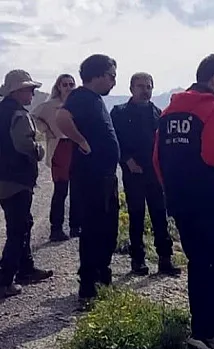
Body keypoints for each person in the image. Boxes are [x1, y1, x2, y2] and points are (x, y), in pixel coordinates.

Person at [154, 54, 214, 349]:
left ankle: (200, 328)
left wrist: (172, 191)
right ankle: (207, 333)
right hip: (211, 200)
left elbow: (157, 158)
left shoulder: (169, 111)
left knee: (198, 262)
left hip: (180, 201)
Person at [55, 54, 120, 307]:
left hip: (103, 176)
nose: (114, 81)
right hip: (92, 177)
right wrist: (82, 142)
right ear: (98, 75)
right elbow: (62, 118)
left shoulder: (93, 99)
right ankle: (88, 286)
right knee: (94, 230)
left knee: (107, 229)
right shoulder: (82, 96)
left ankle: (101, 278)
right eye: (111, 76)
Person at [111, 72, 180, 277]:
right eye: (141, 86)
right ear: (131, 88)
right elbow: (114, 140)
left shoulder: (158, 114)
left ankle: (165, 259)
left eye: (148, 87)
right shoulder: (119, 113)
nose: (145, 90)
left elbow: (165, 145)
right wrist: (127, 160)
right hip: (133, 173)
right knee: (136, 215)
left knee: (159, 215)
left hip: (155, 173)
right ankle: (138, 260)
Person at [0, 70, 54, 298]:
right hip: (17, 179)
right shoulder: (19, 115)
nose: (32, 93)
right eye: (29, 89)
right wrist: (39, 150)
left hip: (4, 178)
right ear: (18, 91)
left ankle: (26, 268)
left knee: (23, 223)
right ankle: (5, 280)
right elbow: (25, 145)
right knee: (18, 229)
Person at [32, 73, 80, 241]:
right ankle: (56, 229)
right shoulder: (50, 105)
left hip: (75, 146)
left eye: (71, 84)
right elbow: (33, 117)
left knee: (77, 189)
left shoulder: (77, 104)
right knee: (61, 189)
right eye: (65, 84)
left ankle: (75, 226)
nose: (68, 87)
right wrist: (46, 129)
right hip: (59, 147)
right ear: (58, 87)